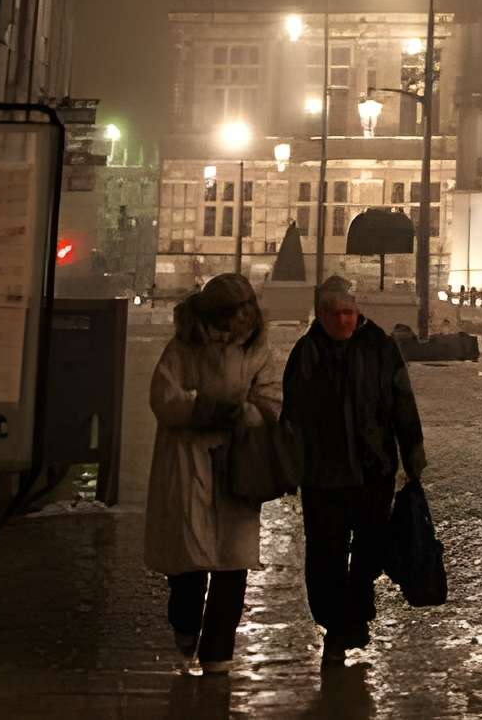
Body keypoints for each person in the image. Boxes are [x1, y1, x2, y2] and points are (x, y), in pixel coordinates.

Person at [283, 272, 426, 665]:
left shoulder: (380, 348)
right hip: (323, 476)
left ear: (357, 311)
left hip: (371, 472)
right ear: (321, 315)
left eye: (347, 312)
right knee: (325, 555)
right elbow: (292, 415)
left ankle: (356, 617)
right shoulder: (307, 352)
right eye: (333, 314)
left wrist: (413, 453)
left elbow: (402, 403)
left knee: (368, 552)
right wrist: (289, 467)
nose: (342, 321)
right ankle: (335, 625)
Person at [148, 273, 283, 674]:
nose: (242, 320)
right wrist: (205, 409)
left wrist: (248, 412)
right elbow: (164, 398)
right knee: (188, 562)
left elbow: (272, 396)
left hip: (238, 465)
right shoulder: (183, 348)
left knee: (232, 563)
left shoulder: (257, 350)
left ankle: (219, 652)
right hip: (189, 461)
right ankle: (185, 625)